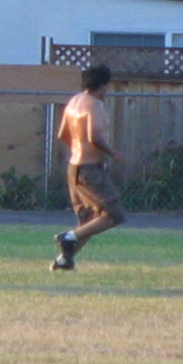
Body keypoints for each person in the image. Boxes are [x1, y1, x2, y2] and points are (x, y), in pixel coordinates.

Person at [51, 62, 124, 270]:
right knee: (113, 214)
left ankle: (64, 260)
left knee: (90, 220)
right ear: (102, 85)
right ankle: (68, 237)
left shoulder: (74, 102)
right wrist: (112, 153)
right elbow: (94, 136)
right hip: (89, 168)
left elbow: (62, 134)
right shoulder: (94, 103)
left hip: (74, 166)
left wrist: (77, 150)